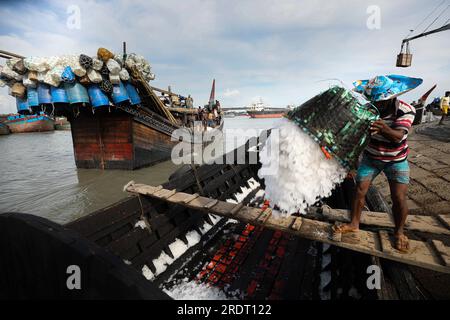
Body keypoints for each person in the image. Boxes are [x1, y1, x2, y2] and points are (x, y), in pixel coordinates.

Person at [333, 75, 423, 253]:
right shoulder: (368, 109)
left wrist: (384, 128)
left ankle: (399, 232)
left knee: (398, 198)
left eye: (381, 102)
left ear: (392, 98)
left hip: (396, 160)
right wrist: (351, 160)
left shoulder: (406, 109)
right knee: (359, 190)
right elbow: (356, 135)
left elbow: (399, 137)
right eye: (374, 101)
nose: (377, 106)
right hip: (371, 158)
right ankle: (354, 223)